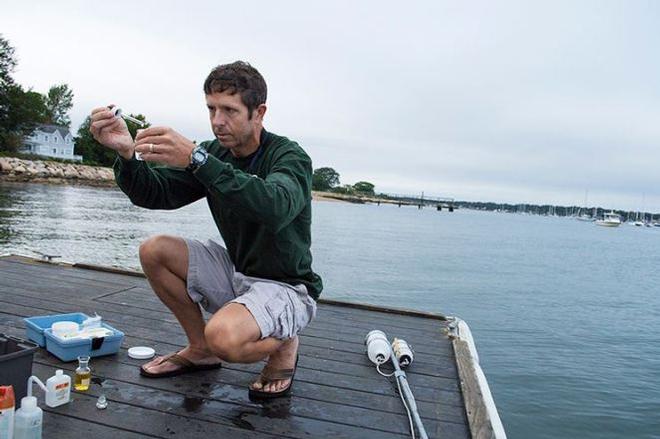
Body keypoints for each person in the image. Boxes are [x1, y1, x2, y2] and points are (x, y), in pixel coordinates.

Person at [89, 61, 322, 399]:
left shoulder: (289, 156)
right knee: (154, 250)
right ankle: (200, 350)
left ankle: (284, 342)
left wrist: (198, 160)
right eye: (211, 108)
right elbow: (156, 194)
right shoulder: (214, 154)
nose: (217, 121)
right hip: (240, 273)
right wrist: (127, 155)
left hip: (288, 286)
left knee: (224, 337)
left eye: (229, 110)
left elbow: (276, 206)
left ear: (259, 112)